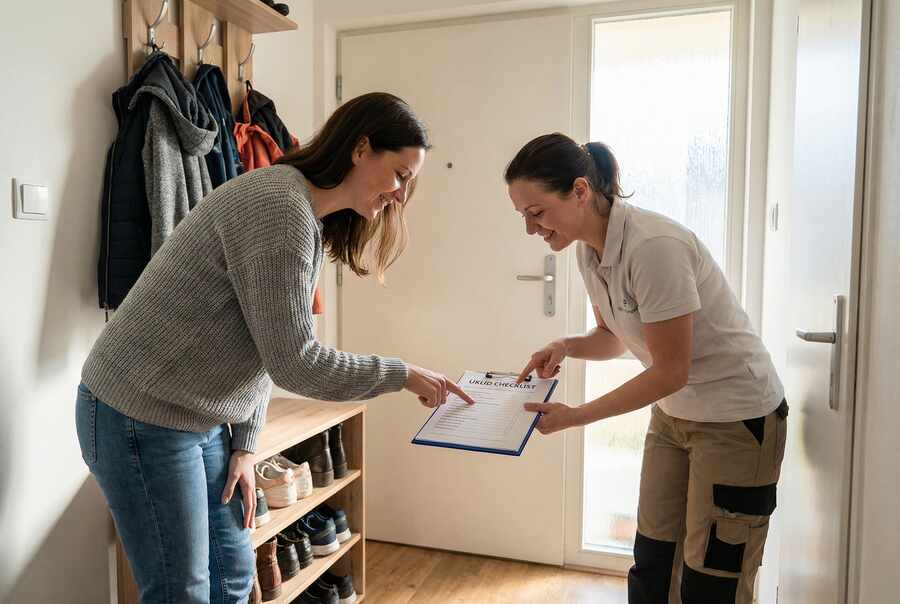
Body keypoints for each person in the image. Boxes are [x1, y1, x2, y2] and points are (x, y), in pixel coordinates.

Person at [75, 92, 474, 604]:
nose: (400, 195)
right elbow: (296, 362)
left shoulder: (304, 213)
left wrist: (244, 444)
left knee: (233, 578)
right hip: (138, 414)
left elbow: (264, 343)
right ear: (360, 149)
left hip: (199, 418)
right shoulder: (280, 208)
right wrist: (401, 374)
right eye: (399, 174)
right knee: (183, 592)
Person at [504, 133, 786, 604]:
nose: (531, 229)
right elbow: (613, 336)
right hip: (674, 415)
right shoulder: (588, 250)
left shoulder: (654, 247)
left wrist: (576, 416)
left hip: (735, 418)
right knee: (653, 559)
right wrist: (565, 346)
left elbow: (670, 370)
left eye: (537, 212)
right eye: (523, 216)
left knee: (712, 579)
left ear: (579, 191)